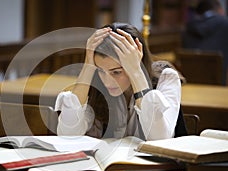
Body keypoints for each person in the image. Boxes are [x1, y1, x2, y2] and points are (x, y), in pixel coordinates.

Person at [55, 22, 186, 140]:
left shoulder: (166, 78)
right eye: (101, 70)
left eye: (116, 72)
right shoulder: (94, 82)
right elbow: (68, 134)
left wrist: (136, 72)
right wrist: (88, 66)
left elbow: (159, 139)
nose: (107, 82)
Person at [182, 0, 228, 85]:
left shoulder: (188, 26)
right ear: (220, 10)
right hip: (220, 87)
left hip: (190, 85)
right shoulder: (225, 24)